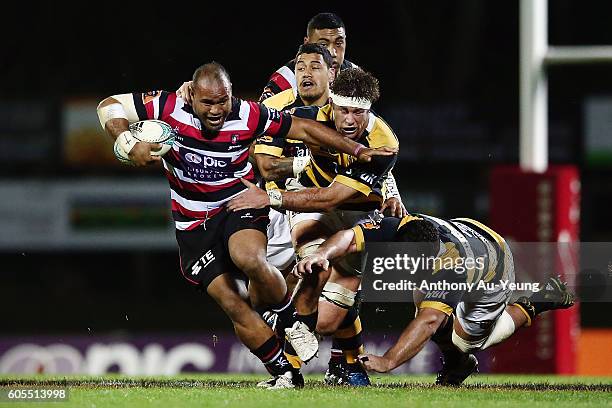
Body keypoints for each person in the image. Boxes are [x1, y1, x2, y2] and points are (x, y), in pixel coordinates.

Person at [96, 61, 393, 389]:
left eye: (222, 101)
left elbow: (304, 129)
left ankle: (290, 319)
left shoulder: (249, 114)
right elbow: (109, 105)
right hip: (193, 223)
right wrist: (126, 140)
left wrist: (356, 149)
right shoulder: (168, 106)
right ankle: (285, 372)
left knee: (249, 257)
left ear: (231, 95)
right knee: (233, 302)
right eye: (207, 103)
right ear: (191, 95)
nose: (216, 110)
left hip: (240, 203)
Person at [227, 67, 400, 386]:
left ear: (369, 111)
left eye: (358, 113)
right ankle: (294, 351)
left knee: (328, 320)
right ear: (331, 102)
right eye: (344, 110)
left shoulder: (384, 143)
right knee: (312, 266)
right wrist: (192, 94)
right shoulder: (303, 116)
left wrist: (269, 197)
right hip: (308, 209)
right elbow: (247, 122)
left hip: (356, 214)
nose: (349, 120)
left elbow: (331, 198)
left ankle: (328, 350)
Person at [294, 213, 576, 385]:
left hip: (493, 265)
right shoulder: (403, 226)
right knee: (425, 301)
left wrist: (388, 361)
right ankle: (457, 365)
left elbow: (429, 322)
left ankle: (537, 301)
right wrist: (322, 254)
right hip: (470, 229)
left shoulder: (450, 267)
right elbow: (346, 238)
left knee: (465, 340)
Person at [259, 12, 357, 102]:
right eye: (323, 45)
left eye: (339, 43)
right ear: (307, 43)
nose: (333, 53)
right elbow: (261, 115)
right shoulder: (286, 79)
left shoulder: (355, 74)